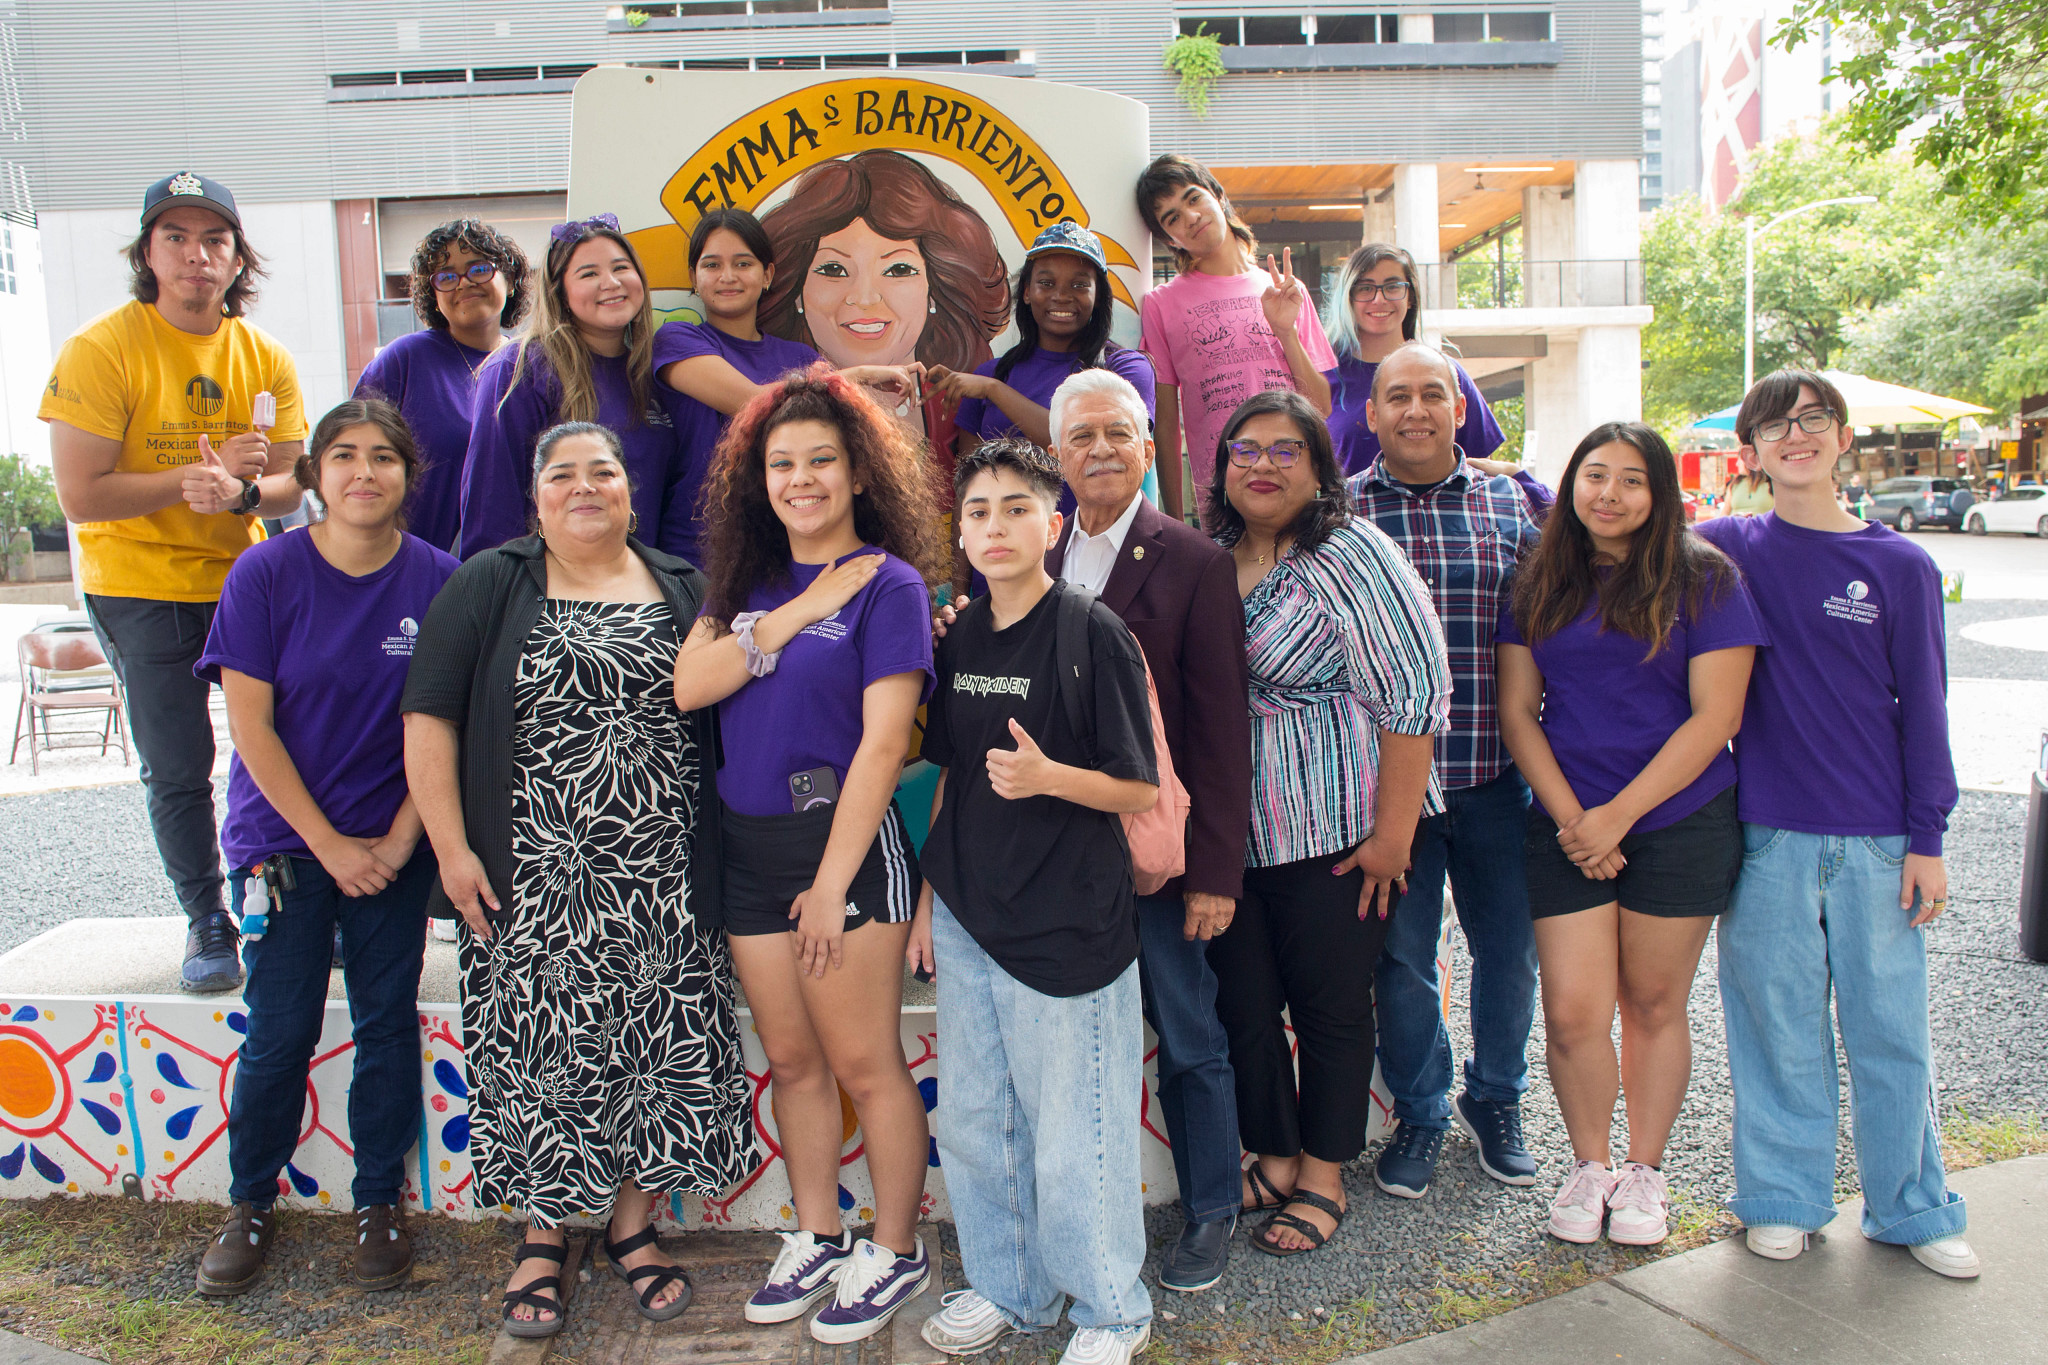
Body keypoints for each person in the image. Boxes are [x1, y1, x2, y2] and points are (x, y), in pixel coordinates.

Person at [403, 422, 751, 1337]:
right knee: (542, 1057)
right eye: (564, 474)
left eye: (605, 471)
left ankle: (632, 1229)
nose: (586, 486)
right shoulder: (490, 581)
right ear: (537, 495)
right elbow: (427, 718)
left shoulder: (682, 584)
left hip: (666, 878)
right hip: (533, 874)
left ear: (633, 494)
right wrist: (451, 849)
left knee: (653, 1047)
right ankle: (546, 1235)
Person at [672, 370, 942, 1344]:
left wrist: (831, 882)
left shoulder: (890, 585)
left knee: (864, 1063)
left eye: (821, 459)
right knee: (790, 1059)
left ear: (859, 471)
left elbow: (880, 746)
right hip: (747, 850)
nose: (801, 478)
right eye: (781, 463)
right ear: (758, 480)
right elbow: (690, 687)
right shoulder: (744, 586)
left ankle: (896, 1246)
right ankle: (819, 1231)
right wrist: (786, 616)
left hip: (844, 852)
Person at [1698, 371, 1977, 1279]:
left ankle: (1912, 1208)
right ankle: (1783, 1197)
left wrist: (1927, 837)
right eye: (1774, 425)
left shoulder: (1900, 565)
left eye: (1812, 419)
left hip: (1878, 838)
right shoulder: (1727, 548)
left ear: (1843, 436)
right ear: (1752, 451)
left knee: (1890, 1026)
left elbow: (1925, 709)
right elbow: (1611, 537)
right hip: (1769, 833)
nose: (1795, 435)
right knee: (1776, 1024)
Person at [189, 399, 455, 1295]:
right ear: (313, 475)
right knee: (278, 1031)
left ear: (408, 476)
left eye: (384, 456)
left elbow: (441, 728)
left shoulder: (439, 579)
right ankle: (249, 1202)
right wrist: (329, 845)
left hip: (394, 842)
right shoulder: (263, 574)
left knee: (386, 1024)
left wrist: (394, 839)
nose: (363, 472)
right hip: (283, 845)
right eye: (342, 455)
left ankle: (379, 1200)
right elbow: (251, 728)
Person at [909, 439, 1159, 1365]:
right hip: (975, 915)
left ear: (1053, 526)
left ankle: (1109, 1308)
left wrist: (1053, 775)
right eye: (978, 510)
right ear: (961, 533)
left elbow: (1138, 789)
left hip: (1068, 922)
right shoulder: (962, 636)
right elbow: (952, 776)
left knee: (1076, 1134)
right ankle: (1013, 1292)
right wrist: (935, 897)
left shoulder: (1090, 632)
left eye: (1017, 507)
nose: (996, 524)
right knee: (978, 1122)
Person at [1495, 421, 1764, 1247]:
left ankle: (1644, 1170)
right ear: (1571, 485)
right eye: (1594, 475)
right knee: (1573, 1010)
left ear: (1659, 494)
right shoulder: (1537, 578)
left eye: (1631, 480)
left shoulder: (1705, 579)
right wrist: (1579, 820)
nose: (1609, 494)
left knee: (1652, 1002)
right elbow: (1517, 710)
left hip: (1678, 820)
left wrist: (1618, 816)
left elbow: (1717, 715)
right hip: (1567, 824)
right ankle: (1589, 1165)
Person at [41, 171, 307, 993]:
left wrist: (245, 494)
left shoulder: (264, 355)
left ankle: (287, 904)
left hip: (244, 579)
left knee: (284, 745)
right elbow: (80, 495)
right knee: (179, 760)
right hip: (138, 583)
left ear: (237, 259)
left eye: (215, 240)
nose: (198, 256)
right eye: (177, 239)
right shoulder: (102, 347)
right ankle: (206, 919)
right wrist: (191, 483)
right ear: (148, 254)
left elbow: (296, 479)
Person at [1204, 391, 1450, 1258]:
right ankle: (1273, 1153)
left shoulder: (1351, 553)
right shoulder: (1210, 556)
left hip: (1337, 829)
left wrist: (1394, 836)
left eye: (1284, 450)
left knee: (1332, 1006)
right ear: (1222, 464)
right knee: (1243, 1003)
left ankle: (1323, 1173)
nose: (1262, 465)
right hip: (1234, 834)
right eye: (1245, 449)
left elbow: (1416, 692)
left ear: (1317, 467)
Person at [1043, 369, 1251, 1292]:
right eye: (1081, 436)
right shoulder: (1034, 550)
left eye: (1117, 435)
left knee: (1189, 1030)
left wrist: (1215, 872)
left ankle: (1212, 1208)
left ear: (1146, 448)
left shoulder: (1192, 559)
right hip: (1062, 854)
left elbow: (1219, 729)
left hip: (1159, 856)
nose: (1099, 450)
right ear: (1057, 455)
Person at [1348, 341, 1546, 1201]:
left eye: (1435, 394)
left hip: (1498, 774)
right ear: (1371, 412)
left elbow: (1557, 627)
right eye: (1399, 396)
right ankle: (1422, 1108)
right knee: (1402, 958)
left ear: (1461, 409)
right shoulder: (1338, 511)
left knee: (1510, 949)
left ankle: (1496, 1097)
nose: (1417, 410)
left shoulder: (1516, 501)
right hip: (1390, 790)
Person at [457, 213, 718, 563]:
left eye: (621, 268)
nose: (610, 283)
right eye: (589, 273)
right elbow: (491, 508)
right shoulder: (519, 370)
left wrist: (683, 590)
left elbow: (683, 506)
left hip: (644, 597)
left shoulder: (658, 371)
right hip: (550, 599)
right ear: (559, 292)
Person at [759, 150, 1011, 456]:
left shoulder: (963, 403)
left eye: (898, 270)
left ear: (934, 289)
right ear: (796, 289)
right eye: (834, 270)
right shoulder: (771, 393)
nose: (865, 298)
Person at [1135, 153, 1335, 518]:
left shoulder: (1286, 290)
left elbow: (1321, 406)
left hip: (1297, 491)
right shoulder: (1161, 305)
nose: (1191, 217)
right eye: (1172, 218)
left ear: (1217, 194)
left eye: (1193, 198)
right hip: (1225, 504)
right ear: (1169, 239)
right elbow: (1164, 423)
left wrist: (1285, 332)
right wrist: (1174, 522)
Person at [928, 220, 1158, 516]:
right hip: (1001, 556)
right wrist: (963, 562)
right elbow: (969, 489)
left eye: (1079, 285)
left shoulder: (1124, 369)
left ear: (1098, 295)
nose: (1061, 295)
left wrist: (996, 392)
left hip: (1097, 552)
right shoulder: (990, 374)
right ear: (1026, 292)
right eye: (1047, 283)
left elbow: (1075, 444)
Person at [653, 208, 921, 439]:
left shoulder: (801, 357)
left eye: (743, 263)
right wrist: (859, 374)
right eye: (712, 265)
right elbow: (751, 401)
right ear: (693, 277)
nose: (728, 276)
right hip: (699, 501)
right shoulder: (676, 340)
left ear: (767, 274)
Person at [354, 219, 531, 553]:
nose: (463, 283)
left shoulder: (532, 366)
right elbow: (350, 457)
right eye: (447, 277)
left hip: (513, 573)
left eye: (479, 268)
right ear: (433, 297)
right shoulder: (405, 360)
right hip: (411, 567)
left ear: (509, 281)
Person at [1321, 244, 1503, 476]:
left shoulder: (1445, 373)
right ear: (1348, 297)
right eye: (1365, 288)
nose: (1379, 299)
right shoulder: (1323, 376)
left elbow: (1482, 470)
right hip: (1349, 510)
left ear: (1410, 298)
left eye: (1393, 286)